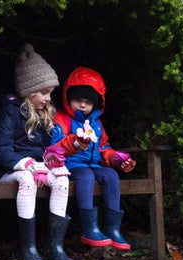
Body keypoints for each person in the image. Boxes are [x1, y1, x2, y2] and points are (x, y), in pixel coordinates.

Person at [0, 43, 74, 260]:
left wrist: (52, 159)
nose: (48, 98)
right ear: (28, 91)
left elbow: (45, 149)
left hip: (37, 169)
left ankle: (55, 246)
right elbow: (0, 150)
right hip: (8, 171)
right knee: (27, 180)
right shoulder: (9, 113)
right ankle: (30, 249)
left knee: (63, 181)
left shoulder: (43, 115)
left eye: (50, 93)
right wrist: (27, 165)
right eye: (44, 93)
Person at [51, 66, 136, 250]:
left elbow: (103, 148)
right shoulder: (62, 118)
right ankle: (89, 228)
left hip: (93, 164)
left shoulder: (96, 124)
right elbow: (55, 145)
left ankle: (113, 229)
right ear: (68, 99)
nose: (83, 105)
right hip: (70, 165)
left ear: (96, 104)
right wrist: (75, 142)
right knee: (86, 176)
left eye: (88, 102)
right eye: (78, 100)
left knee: (111, 175)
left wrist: (116, 159)